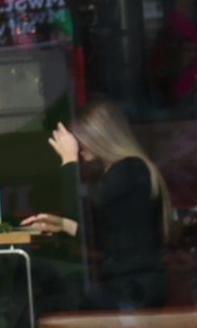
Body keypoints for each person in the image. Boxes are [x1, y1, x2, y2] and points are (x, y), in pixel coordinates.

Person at [29, 100, 171, 309]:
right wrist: (63, 225)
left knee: (43, 305)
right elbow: (108, 233)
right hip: (129, 285)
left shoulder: (130, 168)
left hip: (133, 289)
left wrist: (68, 160)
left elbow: (83, 206)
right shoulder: (125, 170)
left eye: (80, 139)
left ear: (98, 138)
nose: (78, 146)